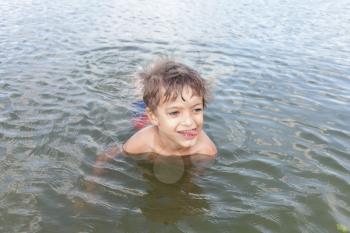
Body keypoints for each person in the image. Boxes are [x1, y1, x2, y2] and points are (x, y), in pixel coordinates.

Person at [123, 58, 217, 157]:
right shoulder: (141, 142)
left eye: (196, 109)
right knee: (140, 102)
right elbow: (115, 152)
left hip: (160, 107)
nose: (189, 122)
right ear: (154, 117)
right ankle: (139, 84)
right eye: (174, 112)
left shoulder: (206, 150)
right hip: (143, 120)